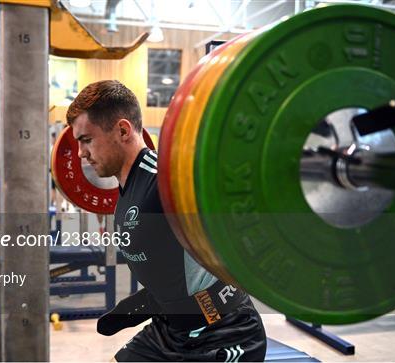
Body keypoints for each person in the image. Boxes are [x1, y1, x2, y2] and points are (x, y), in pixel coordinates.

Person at [66, 80, 267, 362]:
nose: (80, 154)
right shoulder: (127, 188)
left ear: (123, 130)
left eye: (86, 140)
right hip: (169, 331)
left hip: (225, 333)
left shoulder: (166, 179)